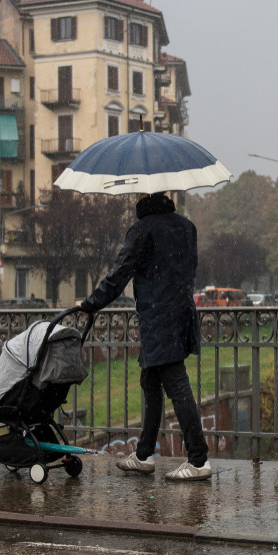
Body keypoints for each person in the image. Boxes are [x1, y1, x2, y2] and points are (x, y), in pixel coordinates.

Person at [80, 191, 211, 481]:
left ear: (143, 196)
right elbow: (188, 270)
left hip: (159, 318)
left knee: (177, 385)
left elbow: (119, 275)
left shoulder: (143, 229)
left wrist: (90, 304)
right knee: (151, 382)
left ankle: (198, 459)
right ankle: (143, 455)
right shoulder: (187, 227)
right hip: (182, 313)